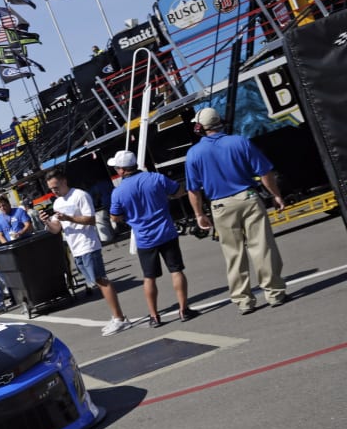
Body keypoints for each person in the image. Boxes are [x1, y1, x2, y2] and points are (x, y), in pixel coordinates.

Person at [185, 106, 287, 314]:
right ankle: (274, 293)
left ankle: (243, 301)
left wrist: (199, 214)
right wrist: (276, 194)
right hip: (247, 197)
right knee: (262, 247)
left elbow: (193, 190)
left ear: (199, 128)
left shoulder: (194, 153)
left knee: (233, 254)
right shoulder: (239, 141)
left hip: (220, 205)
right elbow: (264, 172)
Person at [107, 150, 200, 327]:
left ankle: (154, 316)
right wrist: (167, 197)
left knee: (149, 277)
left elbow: (114, 217)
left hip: (144, 238)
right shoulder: (156, 178)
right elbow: (179, 191)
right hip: (166, 231)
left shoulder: (118, 192)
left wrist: (129, 216)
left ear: (121, 170)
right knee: (176, 270)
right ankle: (184, 310)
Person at [39, 168, 133, 336]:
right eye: (51, 188)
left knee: (101, 280)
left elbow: (91, 220)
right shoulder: (57, 202)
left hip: (88, 245)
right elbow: (55, 229)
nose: (54, 191)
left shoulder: (80, 195)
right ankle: (117, 317)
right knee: (98, 282)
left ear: (64, 181)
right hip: (76, 248)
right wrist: (46, 222)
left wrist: (69, 218)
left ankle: (120, 318)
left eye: (56, 186)